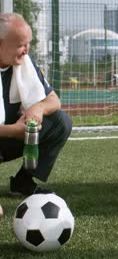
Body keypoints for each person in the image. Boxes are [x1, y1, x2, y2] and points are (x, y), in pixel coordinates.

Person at [0, 13, 72, 196]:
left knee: (60, 122)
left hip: (11, 135)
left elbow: (54, 100)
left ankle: (23, 182)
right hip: (9, 132)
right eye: (20, 45)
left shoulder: (25, 63)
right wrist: (13, 130)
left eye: (28, 43)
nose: (26, 50)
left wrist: (38, 108)